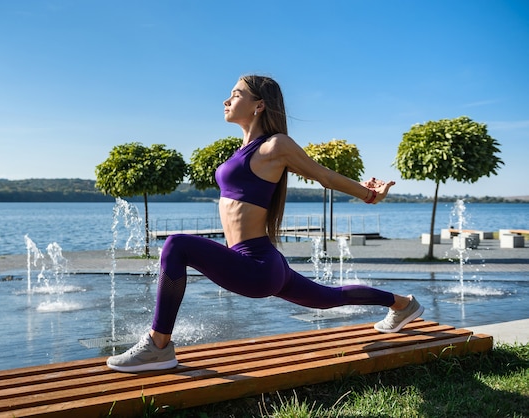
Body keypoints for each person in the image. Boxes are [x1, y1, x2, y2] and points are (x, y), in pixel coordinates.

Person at [107, 75, 424, 373]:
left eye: (236, 94)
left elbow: (324, 175)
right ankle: (403, 304)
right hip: (261, 263)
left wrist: (370, 195)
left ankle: (158, 345)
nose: (226, 101)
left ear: (259, 105)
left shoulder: (276, 145)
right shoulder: (242, 150)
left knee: (177, 244)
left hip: (256, 265)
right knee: (331, 297)